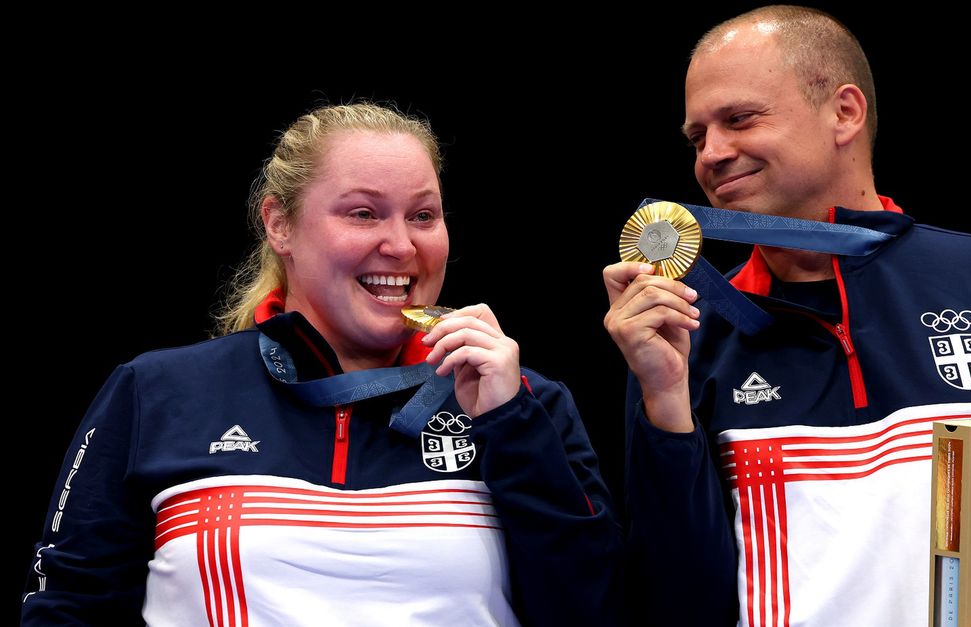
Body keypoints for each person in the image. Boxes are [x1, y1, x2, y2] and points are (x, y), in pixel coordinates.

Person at [604, 6, 971, 626]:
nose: (711, 154)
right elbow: (672, 598)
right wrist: (663, 407)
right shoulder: (687, 331)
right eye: (696, 137)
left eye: (739, 120)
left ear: (845, 112)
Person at [23, 102, 621, 626]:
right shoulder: (157, 391)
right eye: (363, 213)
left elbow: (591, 611)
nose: (401, 245)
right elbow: (69, 607)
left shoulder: (523, 402)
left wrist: (511, 426)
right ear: (280, 224)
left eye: (422, 215)